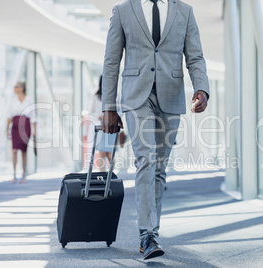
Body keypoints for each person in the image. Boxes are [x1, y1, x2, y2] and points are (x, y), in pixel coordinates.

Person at [102, 0, 209, 260]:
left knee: (159, 167)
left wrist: (202, 88)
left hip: (171, 97)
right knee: (146, 161)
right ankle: (146, 235)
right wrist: (109, 106)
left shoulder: (185, 11)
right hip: (136, 97)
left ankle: (152, 234)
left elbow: (194, 56)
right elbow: (112, 61)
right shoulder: (123, 10)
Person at [6, 82, 36, 183]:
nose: (15, 88)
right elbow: (9, 116)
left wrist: (34, 130)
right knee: (14, 151)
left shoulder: (29, 100)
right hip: (15, 126)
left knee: (24, 151)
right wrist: (7, 129)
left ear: (22, 88)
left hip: (25, 125)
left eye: (17, 87)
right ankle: (14, 174)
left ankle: (23, 174)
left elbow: (33, 116)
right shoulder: (12, 101)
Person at [87, 76, 117, 172]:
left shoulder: (116, 95)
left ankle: (110, 175)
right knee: (101, 153)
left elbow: (120, 110)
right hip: (101, 127)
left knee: (110, 153)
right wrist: (99, 116)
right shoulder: (96, 97)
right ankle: (102, 175)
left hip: (112, 127)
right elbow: (90, 114)